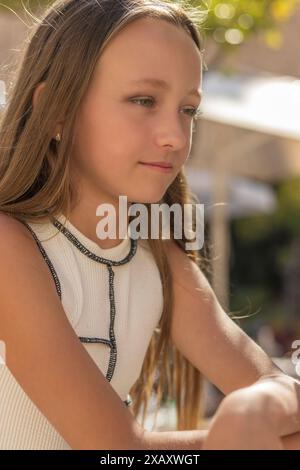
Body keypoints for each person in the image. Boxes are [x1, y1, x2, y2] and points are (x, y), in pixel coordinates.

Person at [0, 0, 299, 450]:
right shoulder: (9, 247)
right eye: (144, 100)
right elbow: (119, 451)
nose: (176, 137)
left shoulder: (155, 254)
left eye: (188, 110)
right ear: (56, 112)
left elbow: (271, 389)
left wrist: (259, 406)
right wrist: (240, 426)